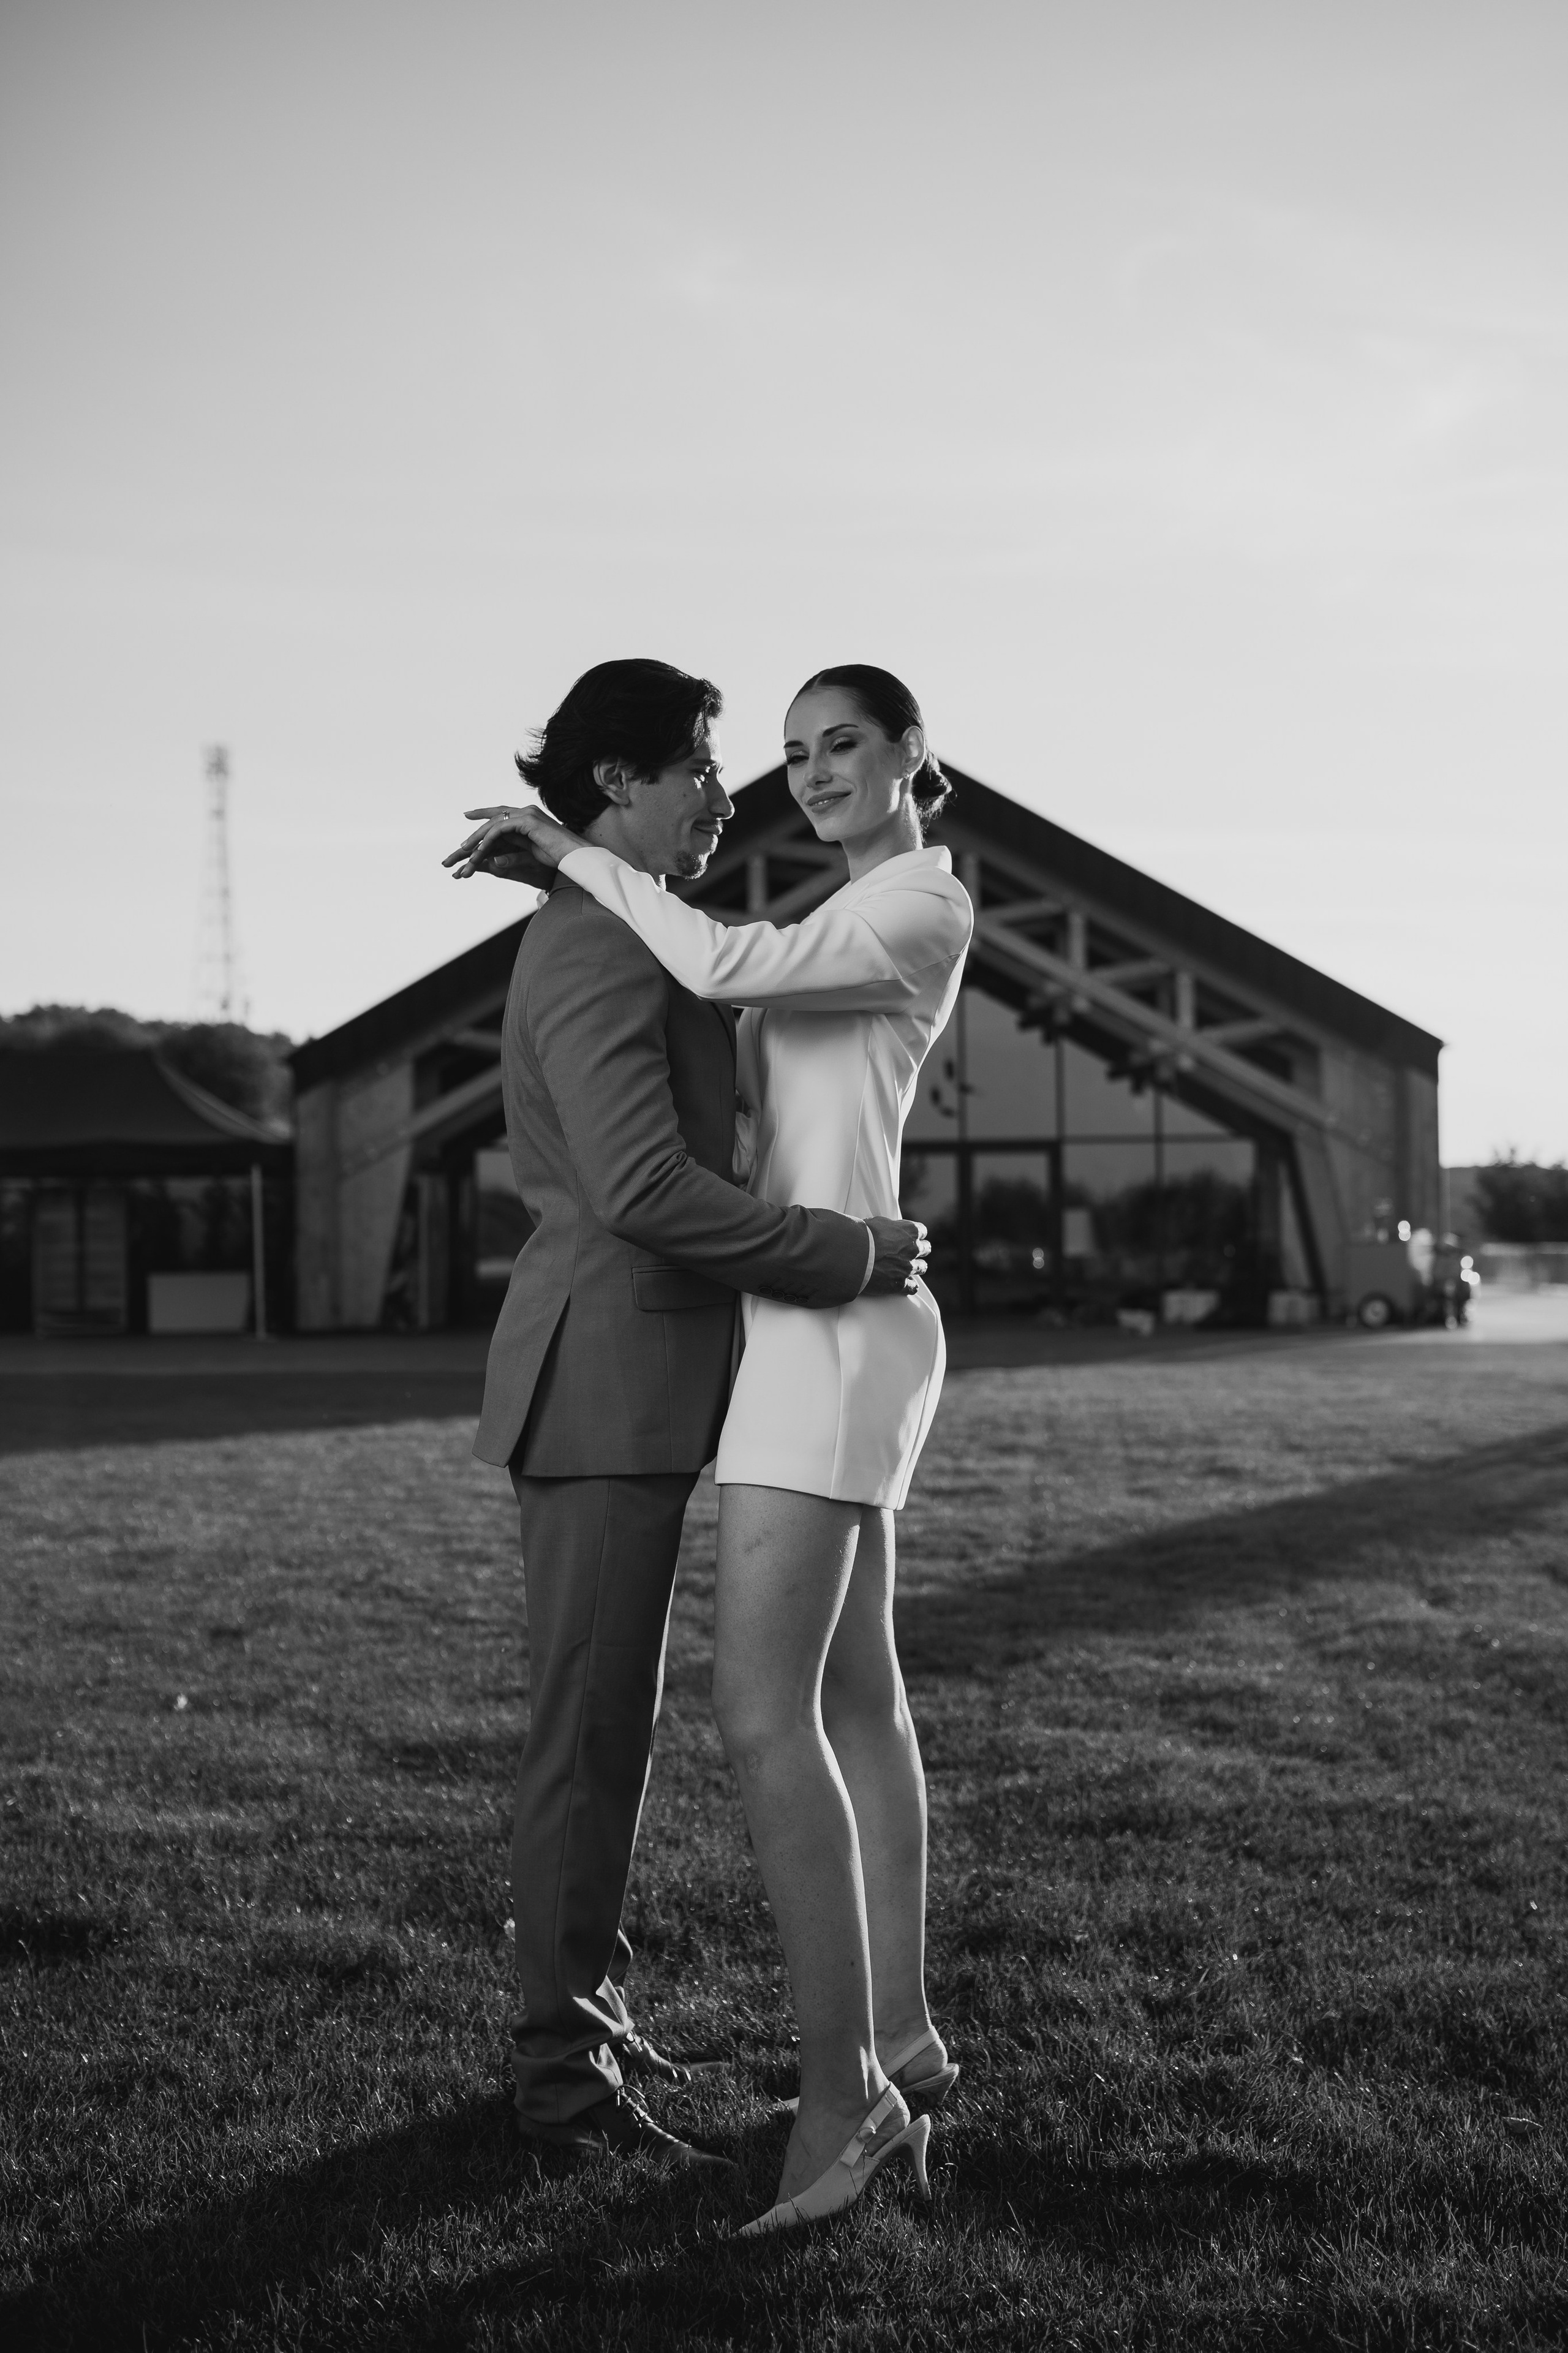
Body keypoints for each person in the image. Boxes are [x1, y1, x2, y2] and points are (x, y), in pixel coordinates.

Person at [454, 664, 973, 2234]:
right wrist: (840, 1253)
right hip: (691, 1346)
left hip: (791, 1341)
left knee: (801, 1707)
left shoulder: (884, 913)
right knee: (685, 1721)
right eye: (714, 763)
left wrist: (573, 850)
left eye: (828, 748)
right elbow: (637, 1182)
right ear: (618, 783)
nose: (745, 786)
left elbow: (734, 973)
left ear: (907, 759)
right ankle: (622, 2072)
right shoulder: (622, 932)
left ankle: (863, 2071)